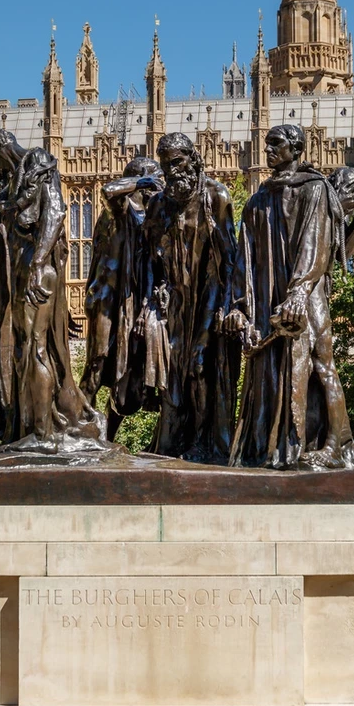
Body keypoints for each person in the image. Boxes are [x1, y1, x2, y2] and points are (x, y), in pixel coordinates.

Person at [0, 129, 103, 453]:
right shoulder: (10, 185)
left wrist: (39, 264)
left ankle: (42, 434)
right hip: (23, 273)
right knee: (23, 354)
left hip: (36, 273)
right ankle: (34, 427)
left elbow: (55, 213)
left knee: (35, 349)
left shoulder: (38, 161)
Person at [223, 124, 354, 470]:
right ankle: (271, 448)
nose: (267, 150)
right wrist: (239, 308)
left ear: (296, 149)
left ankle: (336, 445)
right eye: (266, 144)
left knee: (320, 367)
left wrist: (298, 291)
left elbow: (316, 245)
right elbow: (244, 260)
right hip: (268, 300)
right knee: (268, 372)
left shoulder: (315, 189)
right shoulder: (257, 201)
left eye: (275, 144)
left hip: (306, 296)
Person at [140, 133, 240, 463]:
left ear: (193, 158)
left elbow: (229, 261)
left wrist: (230, 307)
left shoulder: (215, 196)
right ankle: (171, 444)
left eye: (177, 162)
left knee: (200, 367)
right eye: (166, 165)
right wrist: (153, 293)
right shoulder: (158, 204)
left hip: (209, 298)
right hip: (175, 304)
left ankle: (205, 444)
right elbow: (149, 258)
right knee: (171, 376)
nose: (171, 171)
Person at [81, 157, 161, 440]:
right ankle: (79, 431)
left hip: (134, 302)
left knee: (129, 377)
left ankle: (107, 437)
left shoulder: (148, 214)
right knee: (98, 362)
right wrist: (141, 181)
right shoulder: (120, 209)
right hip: (108, 302)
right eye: (155, 179)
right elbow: (108, 191)